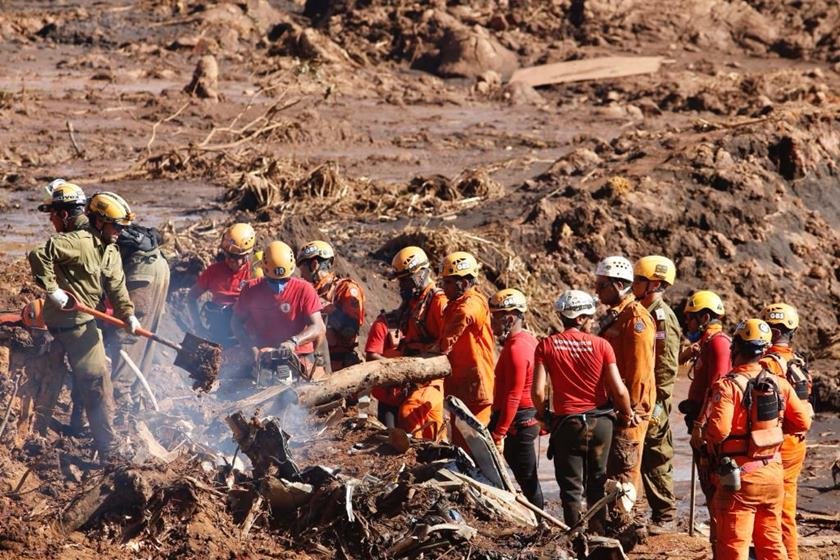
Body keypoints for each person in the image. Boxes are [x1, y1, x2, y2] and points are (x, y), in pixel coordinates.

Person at [29, 186, 140, 461]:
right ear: (100, 222)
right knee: (98, 382)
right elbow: (38, 253)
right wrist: (53, 290)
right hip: (71, 323)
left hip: (81, 322)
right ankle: (109, 451)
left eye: (121, 227)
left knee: (85, 377)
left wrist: (128, 314)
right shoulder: (80, 241)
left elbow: (117, 287)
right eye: (115, 226)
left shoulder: (110, 251)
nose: (119, 232)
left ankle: (67, 426)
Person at [701, 319, 811, 560]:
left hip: (740, 479)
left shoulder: (728, 386)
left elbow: (719, 431)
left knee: (733, 547)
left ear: (736, 349)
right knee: (772, 546)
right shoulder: (779, 383)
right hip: (773, 474)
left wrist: (705, 434)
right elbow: (803, 422)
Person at [532, 289, 637, 528]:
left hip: (567, 425)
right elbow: (619, 391)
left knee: (570, 487)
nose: (591, 321)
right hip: (601, 424)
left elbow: (538, 392)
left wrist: (544, 415)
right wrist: (627, 414)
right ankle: (598, 534)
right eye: (589, 317)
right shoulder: (602, 345)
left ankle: (576, 538)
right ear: (580, 318)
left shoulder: (546, 346)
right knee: (597, 481)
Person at [594, 256, 655, 498]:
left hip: (629, 411)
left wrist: (631, 411)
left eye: (601, 286)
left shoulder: (635, 320)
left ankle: (632, 529)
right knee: (614, 473)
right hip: (616, 406)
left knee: (625, 475)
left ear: (619, 285)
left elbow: (639, 372)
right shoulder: (617, 316)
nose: (597, 291)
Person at [677, 289, 731, 546]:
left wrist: (701, 424)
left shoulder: (719, 343)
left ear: (705, 317)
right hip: (700, 423)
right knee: (708, 485)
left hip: (709, 430)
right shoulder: (707, 344)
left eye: (690, 318)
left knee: (714, 486)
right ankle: (718, 541)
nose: (687, 323)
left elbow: (718, 386)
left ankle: (722, 542)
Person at [631, 255, 681, 532]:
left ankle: (665, 516)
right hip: (641, 395)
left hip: (654, 398)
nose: (634, 284)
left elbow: (666, 364)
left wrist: (658, 402)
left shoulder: (662, 317)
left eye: (639, 280)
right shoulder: (641, 311)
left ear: (655, 284)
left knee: (656, 453)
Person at [759, 303, 812, 560]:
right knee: (785, 506)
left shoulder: (768, 365)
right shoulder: (798, 362)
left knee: (774, 510)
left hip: (777, 443)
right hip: (796, 443)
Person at [231, 241, 326, 377]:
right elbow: (235, 322)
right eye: (273, 281)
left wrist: (294, 342)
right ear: (264, 271)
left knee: (314, 387)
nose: (279, 285)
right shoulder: (251, 289)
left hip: (299, 355)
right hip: (262, 355)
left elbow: (319, 327)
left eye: (284, 280)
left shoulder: (304, 289)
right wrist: (251, 348)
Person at [105, 220, 169, 418]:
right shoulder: (110, 223)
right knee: (144, 337)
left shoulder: (92, 233)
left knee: (127, 338)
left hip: (142, 274)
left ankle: (122, 409)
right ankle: (135, 401)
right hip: (159, 266)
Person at [487, 288, 543, 507]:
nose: (492, 321)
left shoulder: (517, 348)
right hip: (520, 419)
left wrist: (499, 433)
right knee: (524, 475)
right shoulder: (527, 340)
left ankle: (542, 525)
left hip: (518, 421)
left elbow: (513, 395)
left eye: (496, 316)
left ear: (509, 318)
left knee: (528, 479)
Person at [437, 251, 495, 441]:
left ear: (462, 283)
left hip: (476, 389)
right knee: (462, 445)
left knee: (477, 446)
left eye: (447, 282)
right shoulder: (454, 305)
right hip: (460, 388)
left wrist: (435, 349)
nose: (442, 286)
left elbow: (447, 340)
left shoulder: (472, 303)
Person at [298, 240, 365, 371]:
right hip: (313, 364)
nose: (301, 275)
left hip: (341, 366)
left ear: (314, 265)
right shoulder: (306, 291)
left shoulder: (346, 289)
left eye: (302, 269)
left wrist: (322, 305)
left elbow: (349, 330)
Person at [187, 223, 256, 347]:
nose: (229, 260)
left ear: (246, 256)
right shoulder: (214, 272)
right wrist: (198, 326)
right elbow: (191, 297)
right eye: (227, 255)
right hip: (218, 333)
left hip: (245, 337)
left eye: (235, 257)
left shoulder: (254, 273)